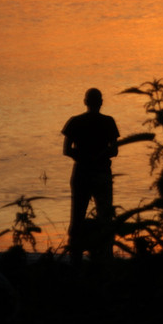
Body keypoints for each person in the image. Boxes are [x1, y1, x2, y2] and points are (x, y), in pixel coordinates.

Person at [61, 88, 119, 264]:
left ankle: (75, 259)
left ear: (85, 102)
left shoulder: (75, 122)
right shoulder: (108, 122)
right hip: (101, 173)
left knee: (77, 216)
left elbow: (66, 150)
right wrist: (98, 157)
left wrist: (84, 158)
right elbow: (114, 150)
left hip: (82, 173)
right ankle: (105, 257)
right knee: (105, 216)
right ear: (101, 102)